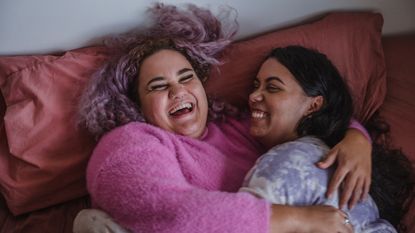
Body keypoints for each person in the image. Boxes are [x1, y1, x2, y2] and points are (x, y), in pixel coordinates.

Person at [74, 3, 373, 233]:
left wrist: (357, 139)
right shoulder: (130, 142)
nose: (178, 90)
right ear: (136, 105)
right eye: (159, 86)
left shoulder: (240, 126)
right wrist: (296, 220)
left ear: (202, 87)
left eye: (186, 77)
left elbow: (301, 118)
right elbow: (171, 213)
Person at [240, 46, 414, 233]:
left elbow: (239, 225)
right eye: (256, 85)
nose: (253, 96)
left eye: (273, 88)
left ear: (313, 105)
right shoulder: (328, 154)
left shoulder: (286, 163)